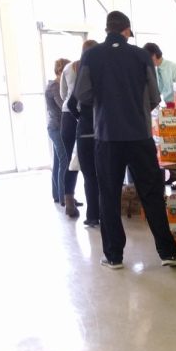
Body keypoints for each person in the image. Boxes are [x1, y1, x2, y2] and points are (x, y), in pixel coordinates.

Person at [74, 11, 176, 270]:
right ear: (127, 31)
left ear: (107, 29)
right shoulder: (141, 55)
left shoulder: (91, 55)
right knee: (152, 193)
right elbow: (155, 96)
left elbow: (82, 93)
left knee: (109, 195)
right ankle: (167, 252)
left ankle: (114, 256)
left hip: (107, 137)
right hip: (139, 135)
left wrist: (105, 103)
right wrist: (136, 107)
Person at [66, 39, 100, 227]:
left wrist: (82, 118)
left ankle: (92, 216)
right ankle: (106, 214)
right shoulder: (105, 78)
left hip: (85, 132)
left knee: (89, 177)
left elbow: (71, 104)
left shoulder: (80, 77)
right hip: (103, 133)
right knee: (104, 176)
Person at [144, 42, 176, 189]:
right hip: (160, 109)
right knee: (164, 144)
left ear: (154, 55)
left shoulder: (174, 68)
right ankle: (172, 174)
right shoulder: (153, 70)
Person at [58, 55, 83, 218]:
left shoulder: (67, 68)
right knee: (91, 162)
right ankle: (97, 202)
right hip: (86, 116)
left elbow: (63, 95)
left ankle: (69, 202)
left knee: (70, 162)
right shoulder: (92, 65)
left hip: (67, 116)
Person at [46, 58, 70, 205]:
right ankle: (65, 198)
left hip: (54, 126)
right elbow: (63, 105)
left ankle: (57, 194)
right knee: (64, 161)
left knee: (58, 161)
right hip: (57, 127)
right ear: (60, 71)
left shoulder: (52, 85)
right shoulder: (55, 86)